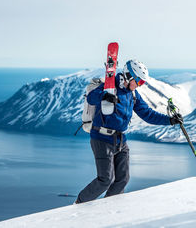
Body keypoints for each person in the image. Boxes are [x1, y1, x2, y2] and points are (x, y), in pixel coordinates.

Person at [75, 59, 183, 204]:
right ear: (128, 75)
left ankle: (108, 208)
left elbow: (147, 114)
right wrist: (104, 96)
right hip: (101, 138)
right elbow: (91, 98)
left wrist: (170, 120)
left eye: (142, 83)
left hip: (120, 141)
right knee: (105, 179)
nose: (139, 85)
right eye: (139, 81)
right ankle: (78, 205)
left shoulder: (133, 94)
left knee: (123, 179)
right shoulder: (109, 86)